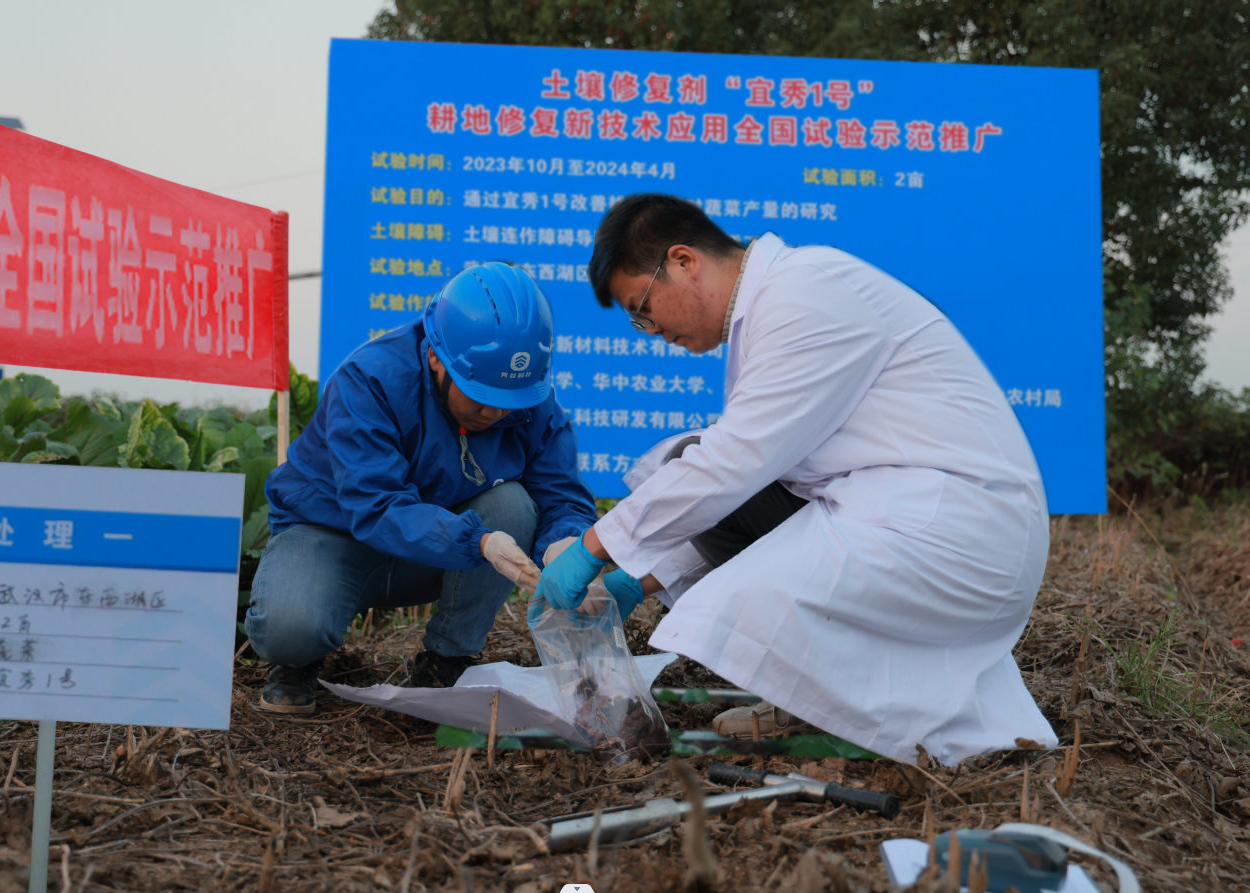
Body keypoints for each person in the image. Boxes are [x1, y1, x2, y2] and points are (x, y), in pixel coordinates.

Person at [534, 193, 1058, 764]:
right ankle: (821, 700)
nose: (649, 329)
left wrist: (596, 546)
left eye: (642, 307)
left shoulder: (806, 293)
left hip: (960, 532)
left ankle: (853, 716)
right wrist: (640, 579)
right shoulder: (772, 309)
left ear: (684, 262)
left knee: (743, 575)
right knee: (686, 462)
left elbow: (734, 462)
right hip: (902, 512)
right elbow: (746, 481)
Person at [247, 262, 598, 714]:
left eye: (509, 400)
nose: (495, 413)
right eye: (480, 396)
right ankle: (297, 663)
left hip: (436, 553)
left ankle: (446, 661)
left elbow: (561, 491)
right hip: (334, 537)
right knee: (289, 627)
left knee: (512, 504)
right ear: (436, 356)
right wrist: (479, 541)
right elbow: (375, 506)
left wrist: (566, 544)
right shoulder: (370, 381)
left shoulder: (524, 394)